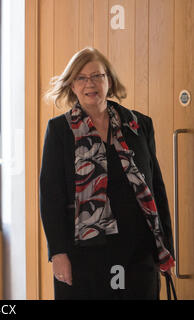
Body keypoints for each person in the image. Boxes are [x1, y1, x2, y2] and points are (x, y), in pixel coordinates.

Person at [40, 47, 175, 300]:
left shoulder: (138, 124)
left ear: (109, 81)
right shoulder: (59, 130)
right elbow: (50, 197)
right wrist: (58, 253)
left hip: (139, 249)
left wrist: (166, 247)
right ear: (72, 85)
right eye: (81, 78)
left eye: (97, 76)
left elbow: (156, 188)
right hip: (84, 252)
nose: (90, 84)